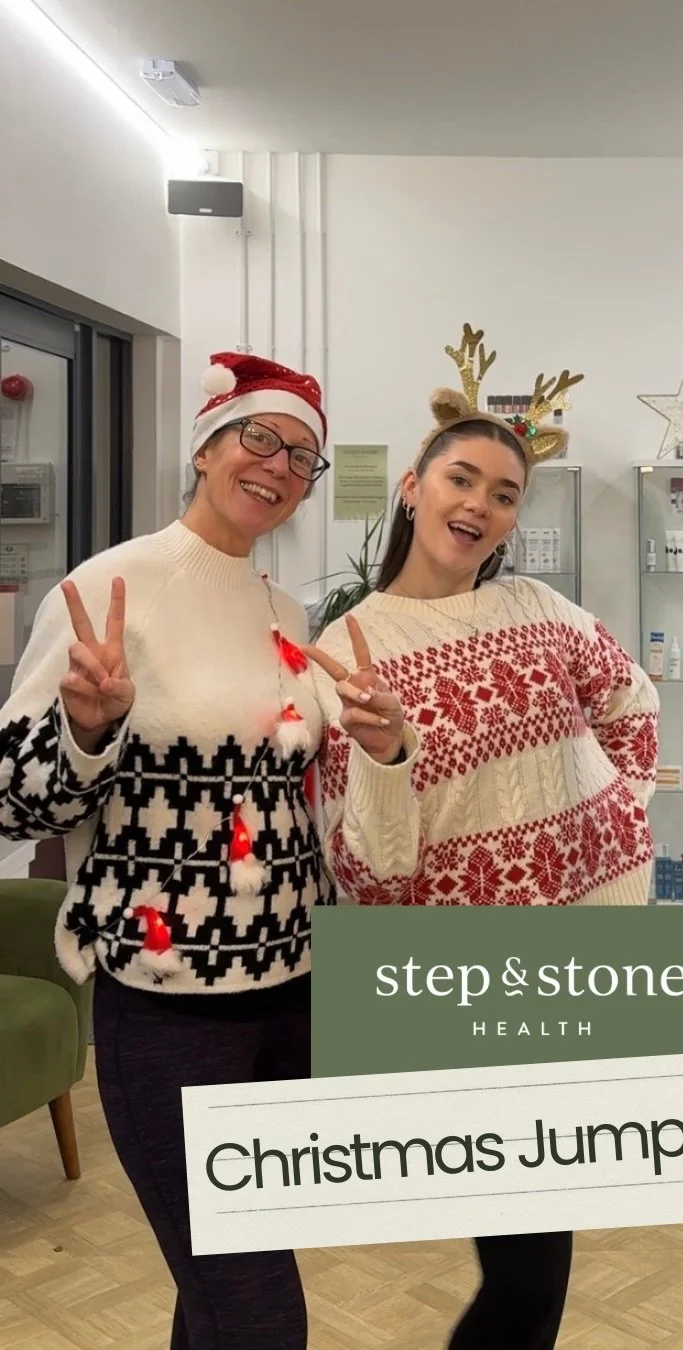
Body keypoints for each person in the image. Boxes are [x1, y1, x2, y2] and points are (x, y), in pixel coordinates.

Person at [306, 326, 660, 1350]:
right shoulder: (349, 646)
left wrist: (618, 823)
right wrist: (380, 757)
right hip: (458, 981)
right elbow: (366, 865)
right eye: (463, 479)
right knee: (523, 1257)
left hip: (580, 959)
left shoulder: (539, 604)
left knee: (539, 1247)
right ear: (413, 486)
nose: (481, 506)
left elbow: (632, 703)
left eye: (505, 494)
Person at [0, 352, 336, 1349]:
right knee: (261, 1315)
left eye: (303, 458)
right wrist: (88, 730)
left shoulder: (288, 615)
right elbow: (15, 798)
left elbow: (288, 807)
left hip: (293, 993)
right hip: (167, 1006)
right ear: (207, 443)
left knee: (219, 1298)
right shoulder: (111, 588)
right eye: (260, 438)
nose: (278, 466)